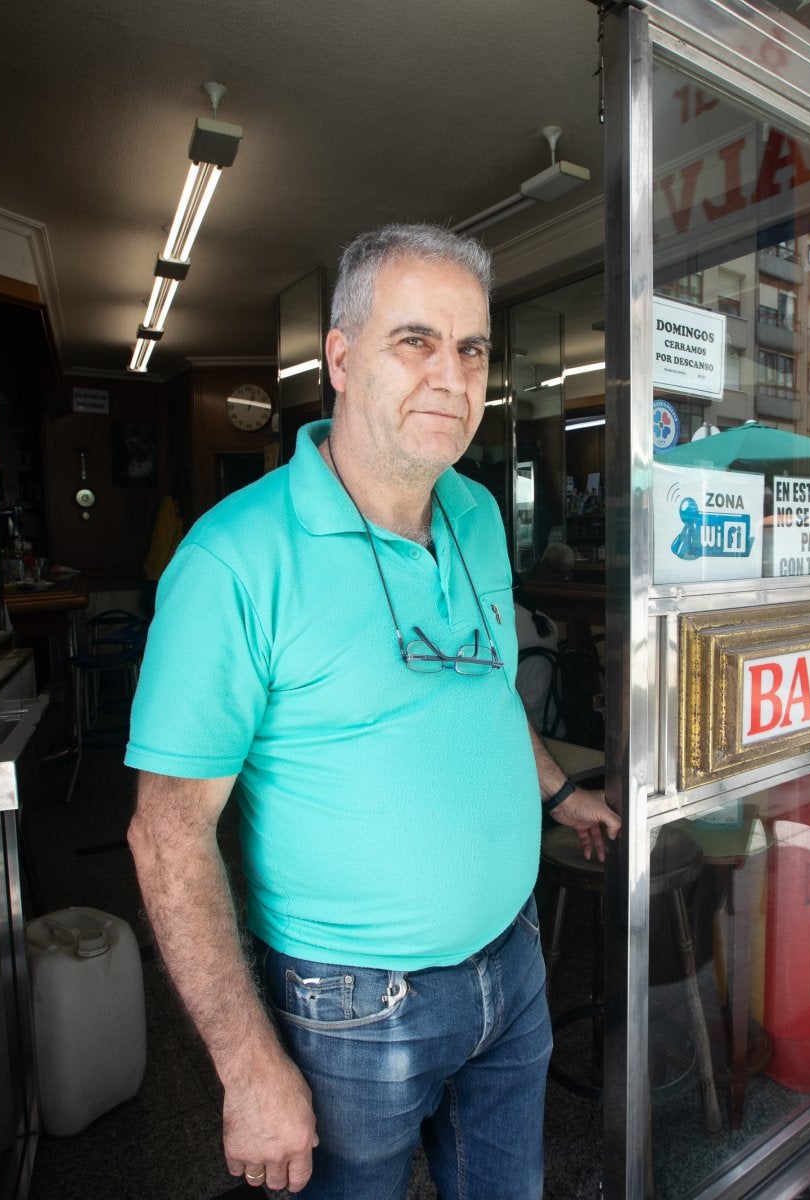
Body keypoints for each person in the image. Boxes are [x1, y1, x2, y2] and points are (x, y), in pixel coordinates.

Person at [125, 223, 621, 1199]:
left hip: (512, 963)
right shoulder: (235, 560)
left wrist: (560, 794)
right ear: (342, 360)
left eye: (472, 347)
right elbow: (166, 837)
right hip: (353, 1009)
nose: (453, 373)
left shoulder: (474, 512)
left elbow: (479, 685)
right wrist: (248, 1069)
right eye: (416, 341)